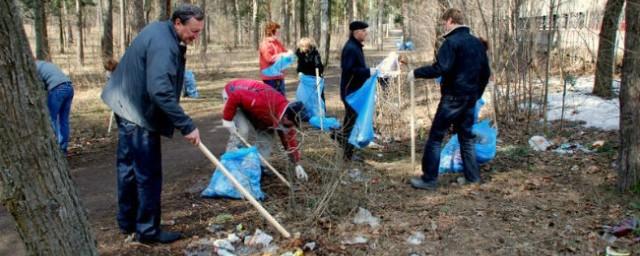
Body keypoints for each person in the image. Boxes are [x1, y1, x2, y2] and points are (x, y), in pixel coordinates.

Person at [100, 4, 204, 244]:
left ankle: (127, 223)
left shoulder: (161, 31)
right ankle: (147, 230)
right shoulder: (164, 45)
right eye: (193, 31)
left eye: (199, 32)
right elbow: (159, 90)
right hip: (136, 112)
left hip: (124, 103)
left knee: (128, 168)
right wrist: (186, 125)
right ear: (178, 22)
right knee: (147, 173)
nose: (195, 37)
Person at [406, 8, 491, 190]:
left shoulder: (451, 43)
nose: (443, 26)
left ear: (451, 21)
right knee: (466, 137)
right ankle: (472, 177)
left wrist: (416, 73)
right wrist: (477, 95)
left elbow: (440, 69)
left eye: (444, 22)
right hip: (469, 99)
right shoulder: (477, 43)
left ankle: (429, 179)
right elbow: (486, 73)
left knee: (436, 137)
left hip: (452, 98)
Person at [221, 79, 308, 181]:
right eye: (292, 123)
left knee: (267, 137)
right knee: (243, 130)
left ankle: (259, 167)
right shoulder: (264, 103)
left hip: (252, 105)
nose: (292, 126)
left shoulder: (287, 117)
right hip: (233, 93)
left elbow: (289, 142)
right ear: (286, 117)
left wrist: (296, 164)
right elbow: (237, 95)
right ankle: (228, 164)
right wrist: (227, 119)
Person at [334, 21, 377, 161]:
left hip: (354, 91)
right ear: (355, 32)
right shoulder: (351, 48)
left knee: (350, 121)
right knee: (352, 123)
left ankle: (339, 137)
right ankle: (347, 155)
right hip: (350, 92)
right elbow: (349, 69)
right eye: (363, 30)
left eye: (365, 30)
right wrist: (368, 72)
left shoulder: (356, 46)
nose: (366, 33)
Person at [36, 60, 74, 154]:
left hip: (57, 89)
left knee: (51, 119)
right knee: (63, 120)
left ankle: (54, 149)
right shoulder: (46, 64)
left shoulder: (34, 67)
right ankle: (63, 149)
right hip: (69, 87)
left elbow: (39, 85)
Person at [259, 21, 289, 95]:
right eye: (278, 31)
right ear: (272, 32)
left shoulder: (277, 42)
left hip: (279, 75)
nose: (280, 33)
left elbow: (285, 52)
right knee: (272, 100)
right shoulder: (265, 44)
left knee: (282, 100)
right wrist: (282, 56)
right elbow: (269, 59)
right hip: (270, 78)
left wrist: (288, 54)